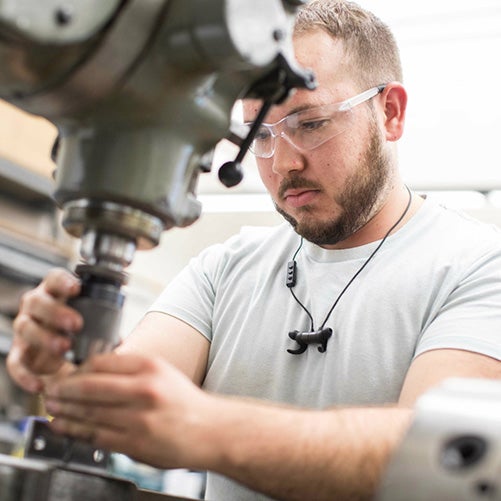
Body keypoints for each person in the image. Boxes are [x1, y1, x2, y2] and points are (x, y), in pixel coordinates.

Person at [7, 1, 501, 499]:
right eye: (260, 134)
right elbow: (118, 402)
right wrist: (65, 367)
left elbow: (440, 459)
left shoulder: (478, 265)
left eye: (311, 123)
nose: (284, 162)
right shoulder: (224, 270)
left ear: (390, 113)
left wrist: (206, 426)